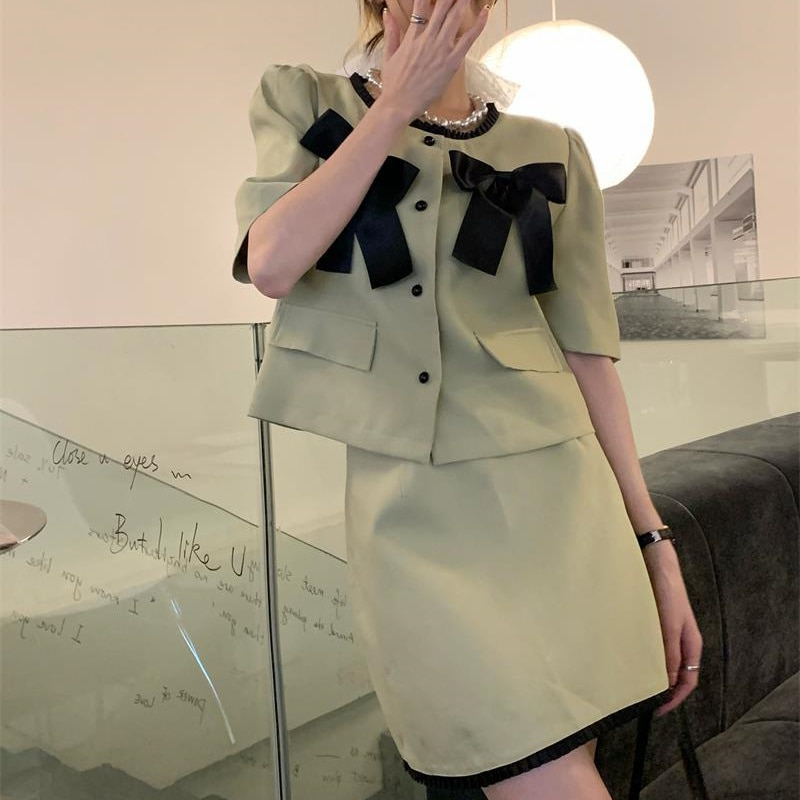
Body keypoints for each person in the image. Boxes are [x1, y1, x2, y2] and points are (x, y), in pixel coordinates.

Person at [231, 0, 704, 797]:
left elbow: (587, 355)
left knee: (564, 766)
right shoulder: (302, 98)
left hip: (561, 505)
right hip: (413, 521)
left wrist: (654, 543)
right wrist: (394, 107)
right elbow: (272, 263)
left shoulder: (555, 149)